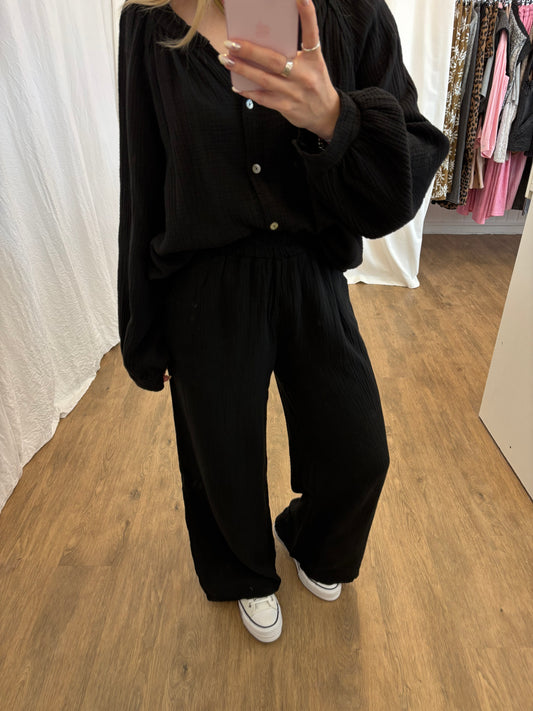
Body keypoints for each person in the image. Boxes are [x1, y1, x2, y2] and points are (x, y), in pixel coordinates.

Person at [117, 0, 449, 643]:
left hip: (309, 265)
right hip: (206, 282)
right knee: (220, 457)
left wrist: (335, 119)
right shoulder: (153, 21)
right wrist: (143, 327)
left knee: (358, 451)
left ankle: (311, 539)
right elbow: (144, 178)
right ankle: (242, 571)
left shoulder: (353, 16)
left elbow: (402, 180)